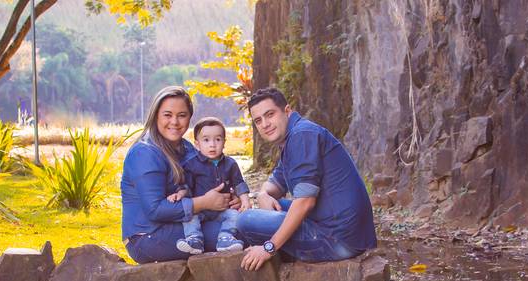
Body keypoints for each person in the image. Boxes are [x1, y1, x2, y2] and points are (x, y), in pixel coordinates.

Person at [237, 87, 377, 271]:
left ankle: (272, 254)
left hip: (338, 240)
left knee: (245, 220)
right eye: (258, 120)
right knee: (274, 206)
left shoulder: (302, 136)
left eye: (270, 114)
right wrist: (263, 194)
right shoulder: (292, 137)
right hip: (336, 229)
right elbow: (275, 184)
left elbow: (305, 202)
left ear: (287, 111)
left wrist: (268, 248)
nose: (265, 124)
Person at [121, 86, 237, 263]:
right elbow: (155, 210)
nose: (174, 121)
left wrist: (228, 199)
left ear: (190, 117)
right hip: (147, 236)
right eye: (167, 115)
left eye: (182, 115)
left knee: (240, 223)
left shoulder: (188, 148)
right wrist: (204, 202)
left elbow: (207, 183)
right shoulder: (144, 152)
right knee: (241, 232)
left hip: (184, 224)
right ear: (156, 116)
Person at [167, 117, 250, 254]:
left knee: (235, 215)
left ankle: (226, 238)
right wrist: (180, 193)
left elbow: (239, 183)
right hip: (200, 209)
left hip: (223, 209)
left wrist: (245, 200)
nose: (212, 145)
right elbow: (186, 185)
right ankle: (194, 240)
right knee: (189, 216)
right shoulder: (191, 164)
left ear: (224, 142)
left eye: (218, 139)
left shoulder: (230, 164)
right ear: (197, 144)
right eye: (206, 140)